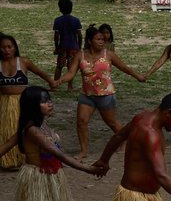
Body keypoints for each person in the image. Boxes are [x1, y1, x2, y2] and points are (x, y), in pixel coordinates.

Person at [56, 24, 147, 156]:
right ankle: (84, 150)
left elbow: (124, 68)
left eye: (102, 40)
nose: (101, 42)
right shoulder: (80, 55)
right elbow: (71, 73)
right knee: (81, 122)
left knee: (112, 123)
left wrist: (138, 76)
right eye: (98, 39)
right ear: (89, 41)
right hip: (87, 95)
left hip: (106, 95)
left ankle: (129, 141)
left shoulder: (109, 55)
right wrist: (61, 80)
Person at [0, 35, 54, 171]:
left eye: (10, 47)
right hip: (5, 102)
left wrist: (52, 82)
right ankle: (9, 160)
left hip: (23, 101)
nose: (7, 50)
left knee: (23, 129)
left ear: (15, 48)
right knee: (7, 130)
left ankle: (22, 157)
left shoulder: (24, 62)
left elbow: (40, 72)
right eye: (3, 47)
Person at [52, 0, 82, 76]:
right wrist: (79, 47)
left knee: (59, 66)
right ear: (71, 8)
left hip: (62, 46)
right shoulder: (76, 20)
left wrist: (56, 47)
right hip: (73, 47)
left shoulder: (58, 20)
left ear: (60, 9)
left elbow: (56, 36)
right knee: (71, 67)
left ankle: (55, 84)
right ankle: (70, 86)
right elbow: (79, 35)